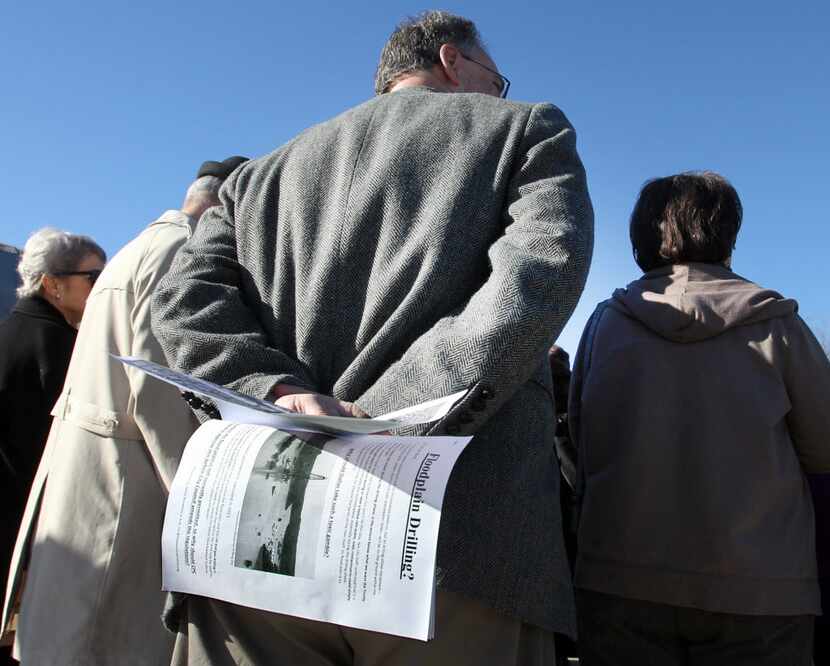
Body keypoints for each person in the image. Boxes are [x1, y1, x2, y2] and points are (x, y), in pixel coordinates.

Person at [152, 11, 593, 665]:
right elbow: (537, 278)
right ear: (453, 60)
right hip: (455, 543)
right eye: (494, 81)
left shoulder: (254, 180)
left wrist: (273, 390)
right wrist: (388, 415)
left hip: (258, 540)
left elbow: (182, 304)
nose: (497, 96)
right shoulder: (526, 129)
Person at [569, 171, 830, 665]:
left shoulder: (606, 324)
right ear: (727, 232)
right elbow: (824, 448)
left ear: (641, 236)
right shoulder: (779, 324)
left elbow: (581, 439)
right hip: (761, 588)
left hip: (619, 577)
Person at [0, 157, 246, 666]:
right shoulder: (179, 250)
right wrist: (208, 508)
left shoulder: (138, 247)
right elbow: (161, 390)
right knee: (101, 643)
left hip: (91, 482)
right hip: (123, 493)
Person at [0, 228, 104, 664]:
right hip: (23, 528)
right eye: (92, 278)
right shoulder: (60, 348)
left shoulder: (11, 331)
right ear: (52, 283)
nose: (102, 289)